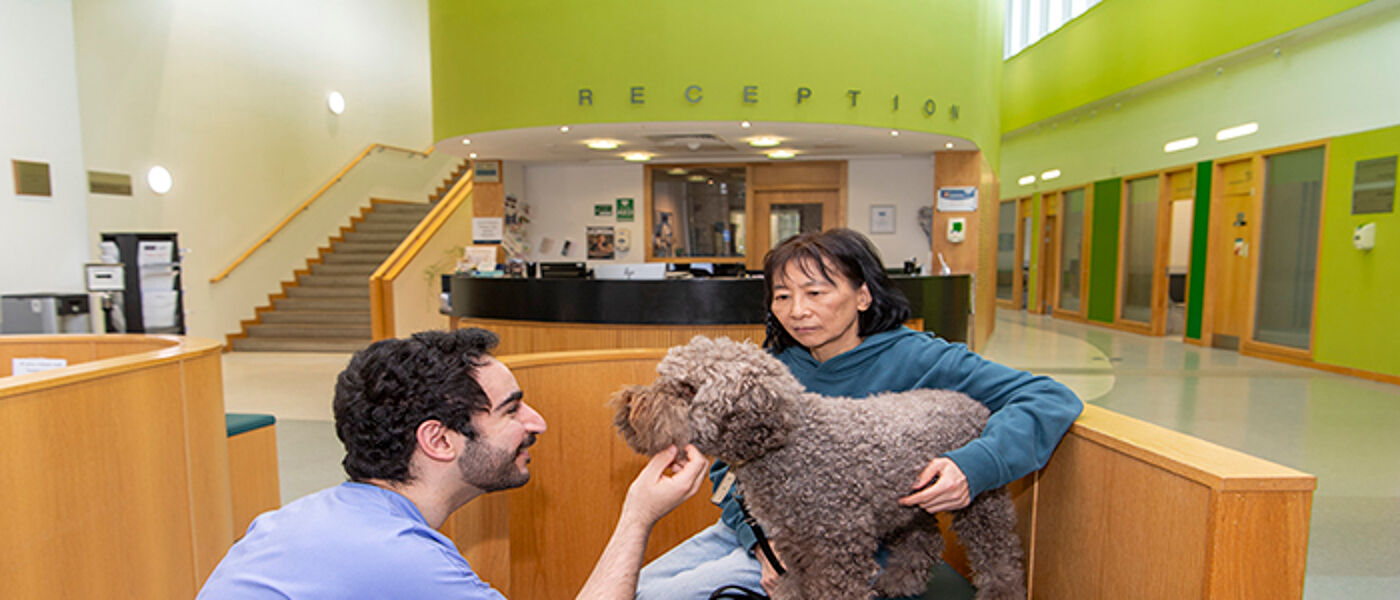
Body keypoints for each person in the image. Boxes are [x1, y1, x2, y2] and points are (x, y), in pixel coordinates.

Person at [635, 228, 1083, 599]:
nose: (798, 311)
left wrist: (975, 465)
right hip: (758, 532)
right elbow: (728, 469)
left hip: (852, 541)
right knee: (637, 587)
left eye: (815, 292)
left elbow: (1047, 397)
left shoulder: (920, 357)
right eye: (782, 296)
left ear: (863, 295)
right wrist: (762, 545)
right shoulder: (773, 369)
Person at [199, 328, 706, 599]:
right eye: (512, 408)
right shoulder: (399, 557)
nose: (538, 422)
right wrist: (638, 516)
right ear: (438, 440)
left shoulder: (303, 521)